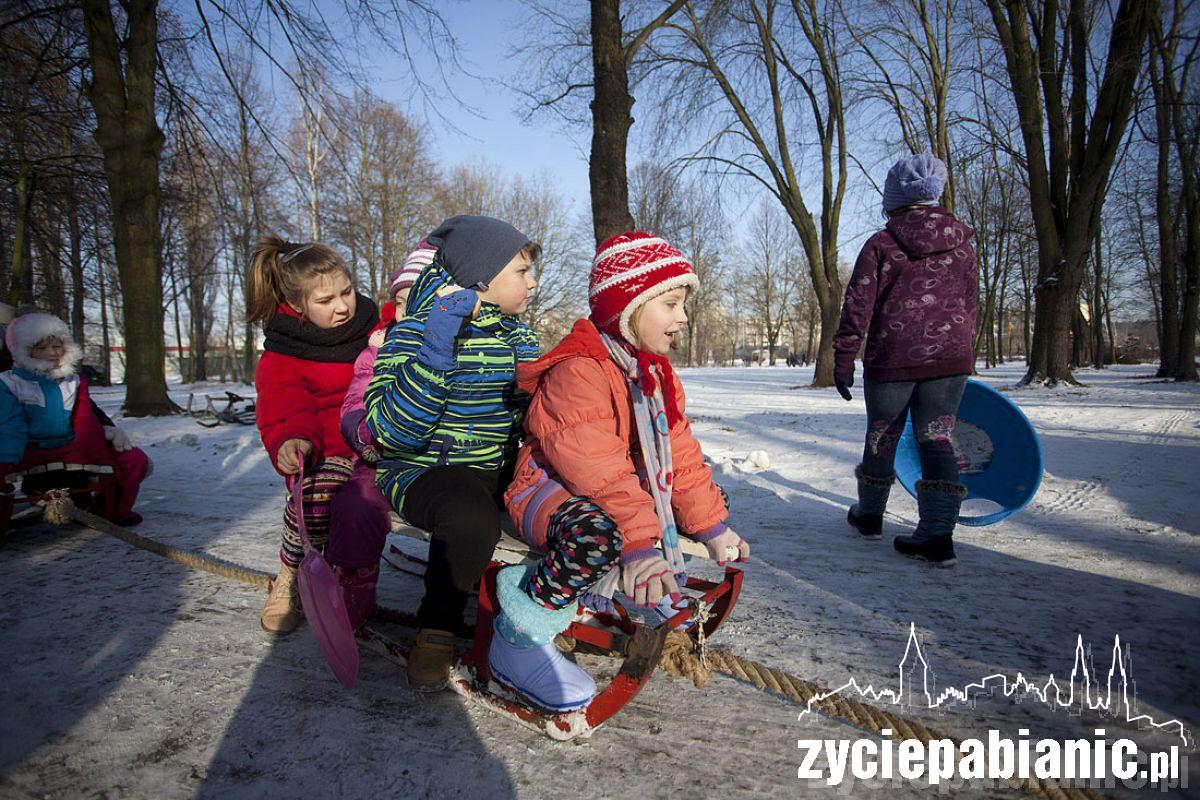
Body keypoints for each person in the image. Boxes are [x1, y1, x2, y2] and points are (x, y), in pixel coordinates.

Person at [500, 231, 749, 711]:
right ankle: (519, 629)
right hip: (547, 491)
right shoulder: (581, 373)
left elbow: (679, 454)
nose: (683, 317)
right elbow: (600, 472)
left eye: (683, 304)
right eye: (671, 303)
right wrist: (637, 545)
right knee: (599, 536)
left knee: (685, 503)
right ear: (628, 305)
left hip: (605, 492)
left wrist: (711, 525)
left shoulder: (651, 372)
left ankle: (601, 583)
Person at [365, 215, 540, 691]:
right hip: (423, 471)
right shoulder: (415, 333)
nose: (533, 283)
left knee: (558, 497)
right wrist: (434, 355)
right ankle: (436, 631)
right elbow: (390, 433)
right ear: (481, 277)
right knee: (470, 515)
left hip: (494, 466)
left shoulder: (520, 339)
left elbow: (539, 417)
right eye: (521, 272)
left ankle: (543, 610)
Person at [832, 153, 978, 567]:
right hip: (950, 362)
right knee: (937, 439)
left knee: (882, 437)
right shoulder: (964, 245)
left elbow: (857, 304)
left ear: (894, 197)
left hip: (893, 359)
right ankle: (936, 536)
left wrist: (844, 358)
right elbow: (970, 306)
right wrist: (963, 352)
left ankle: (870, 518)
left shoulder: (882, 243)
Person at [249, 236, 379, 634]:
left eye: (346, 292)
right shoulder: (285, 351)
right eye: (325, 301)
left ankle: (352, 579)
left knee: (367, 505)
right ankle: (290, 574)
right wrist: (292, 438)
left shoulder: (372, 327)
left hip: (375, 443)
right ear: (299, 306)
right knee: (318, 496)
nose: (342, 306)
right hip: (325, 448)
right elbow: (283, 403)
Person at [327, 239, 437, 630]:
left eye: (422, 298)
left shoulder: (467, 348)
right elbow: (356, 399)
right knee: (355, 504)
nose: (411, 311)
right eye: (403, 301)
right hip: (384, 458)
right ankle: (354, 583)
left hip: (443, 463)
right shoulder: (379, 351)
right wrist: (366, 434)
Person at [0, 312, 150, 524]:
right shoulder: (9, 383)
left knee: (133, 459)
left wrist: (103, 456)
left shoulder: (74, 381)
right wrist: (5, 461)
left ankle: (113, 510)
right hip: (27, 448)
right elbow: (10, 427)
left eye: (57, 346)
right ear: (26, 351)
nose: (52, 353)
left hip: (69, 445)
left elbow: (85, 423)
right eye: (41, 348)